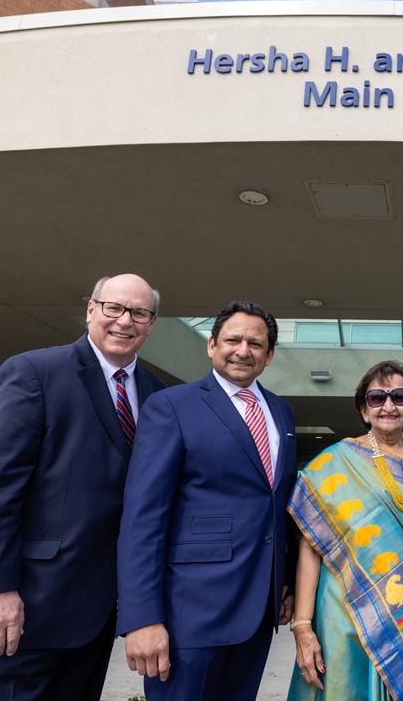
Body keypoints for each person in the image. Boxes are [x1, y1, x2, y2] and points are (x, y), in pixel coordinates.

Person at [0, 274, 165, 700]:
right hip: (12, 613)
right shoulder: (35, 371)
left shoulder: (158, 396)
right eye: (113, 307)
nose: (124, 320)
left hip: (90, 621)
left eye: (139, 312)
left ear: (151, 323)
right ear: (91, 309)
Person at [116, 300, 297, 700]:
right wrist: (141, 617)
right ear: (211, 345)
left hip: (258, 609)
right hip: (190, 612)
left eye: (255, 343)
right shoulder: (171, 406)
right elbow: (143, 517)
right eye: (233, 339)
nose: (243, 350)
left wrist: (283, 582)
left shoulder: (282, 413)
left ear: (269, 356)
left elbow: (277, 505)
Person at [287, 360, 403, 701]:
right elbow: (310, 547)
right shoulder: (332, 462)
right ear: (363, 409)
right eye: (377, 398)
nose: (388, 406)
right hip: (347, 600)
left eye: (399, 396)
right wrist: (302, 624)